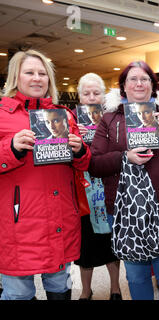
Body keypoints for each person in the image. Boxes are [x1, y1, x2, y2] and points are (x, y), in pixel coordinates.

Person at [89, 60, 159, 300]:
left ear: (153, 86)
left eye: (145, 79)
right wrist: (125, 157)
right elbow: (94, 164)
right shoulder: (110, 119)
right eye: (132, 79)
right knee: (135, 276)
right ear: (123, 86)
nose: (139, 83)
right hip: (125, 210)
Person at [0, 49, 91, 300]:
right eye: (29, 72)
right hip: (19, 222)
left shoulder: (64, 116)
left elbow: (84, 164)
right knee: (18, 292)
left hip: (61, 217)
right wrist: (11, 148)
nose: (37, 78)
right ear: (15, 77)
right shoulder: (2, 115)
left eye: (43, 73)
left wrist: (80, 149)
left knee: (60, 286)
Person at [74, 72, 121, 301]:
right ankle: (85, 290)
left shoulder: (113, 119)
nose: (91, 97)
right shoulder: (68, 121)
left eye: (96, 92)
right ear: (79, 96)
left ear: (103, 95)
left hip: (109, 188)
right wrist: (74, 140)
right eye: (86, 93)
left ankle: (115, 288)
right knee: (86, 245)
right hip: (82, 192)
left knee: (112, 242)